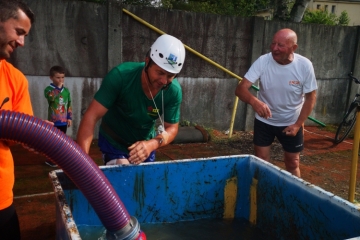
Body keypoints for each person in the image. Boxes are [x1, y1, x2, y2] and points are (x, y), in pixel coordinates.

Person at [77, 34, 185, 165]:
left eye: (170, 75)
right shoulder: (121, 76)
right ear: (147, 62)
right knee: (122, 173)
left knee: (145, 183)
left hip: (145, 145)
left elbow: (172, 128)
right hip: (114, 141)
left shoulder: (173, 90)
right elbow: (91, 116)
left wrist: (152, 144)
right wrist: (82, 164)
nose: (163, 81)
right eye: (160, 72)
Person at [235, 28, 317, 178]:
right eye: (273, 43)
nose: (274, 48)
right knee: (261, 161)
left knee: (292, 163)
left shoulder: (304, 65)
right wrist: (255, 102)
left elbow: (311, 97)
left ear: (293, 48)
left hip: (291, 121)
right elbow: (240, 89)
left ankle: (293, 197)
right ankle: (263, 194)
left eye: (280, 45)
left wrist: (298, 124)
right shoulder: (263, 61)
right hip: (264, 122)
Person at [0, 1, 35, 239]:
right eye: (19, 32)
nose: (21, 42)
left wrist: (37, 133)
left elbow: (20, 133)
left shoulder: (16, 79)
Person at [44, 65, 72, 167]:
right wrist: (58, 88)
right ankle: (50, 159)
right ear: (51, 77)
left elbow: (69, 104)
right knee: (52, 141)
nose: (61, 80)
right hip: (53, 120)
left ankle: (59, 158)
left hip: (63, 121)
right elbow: (51, 98)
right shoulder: (48, 89)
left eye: (62, 77)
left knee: (61, 141)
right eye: (58, 77)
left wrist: (69, 117)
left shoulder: (66, 91)